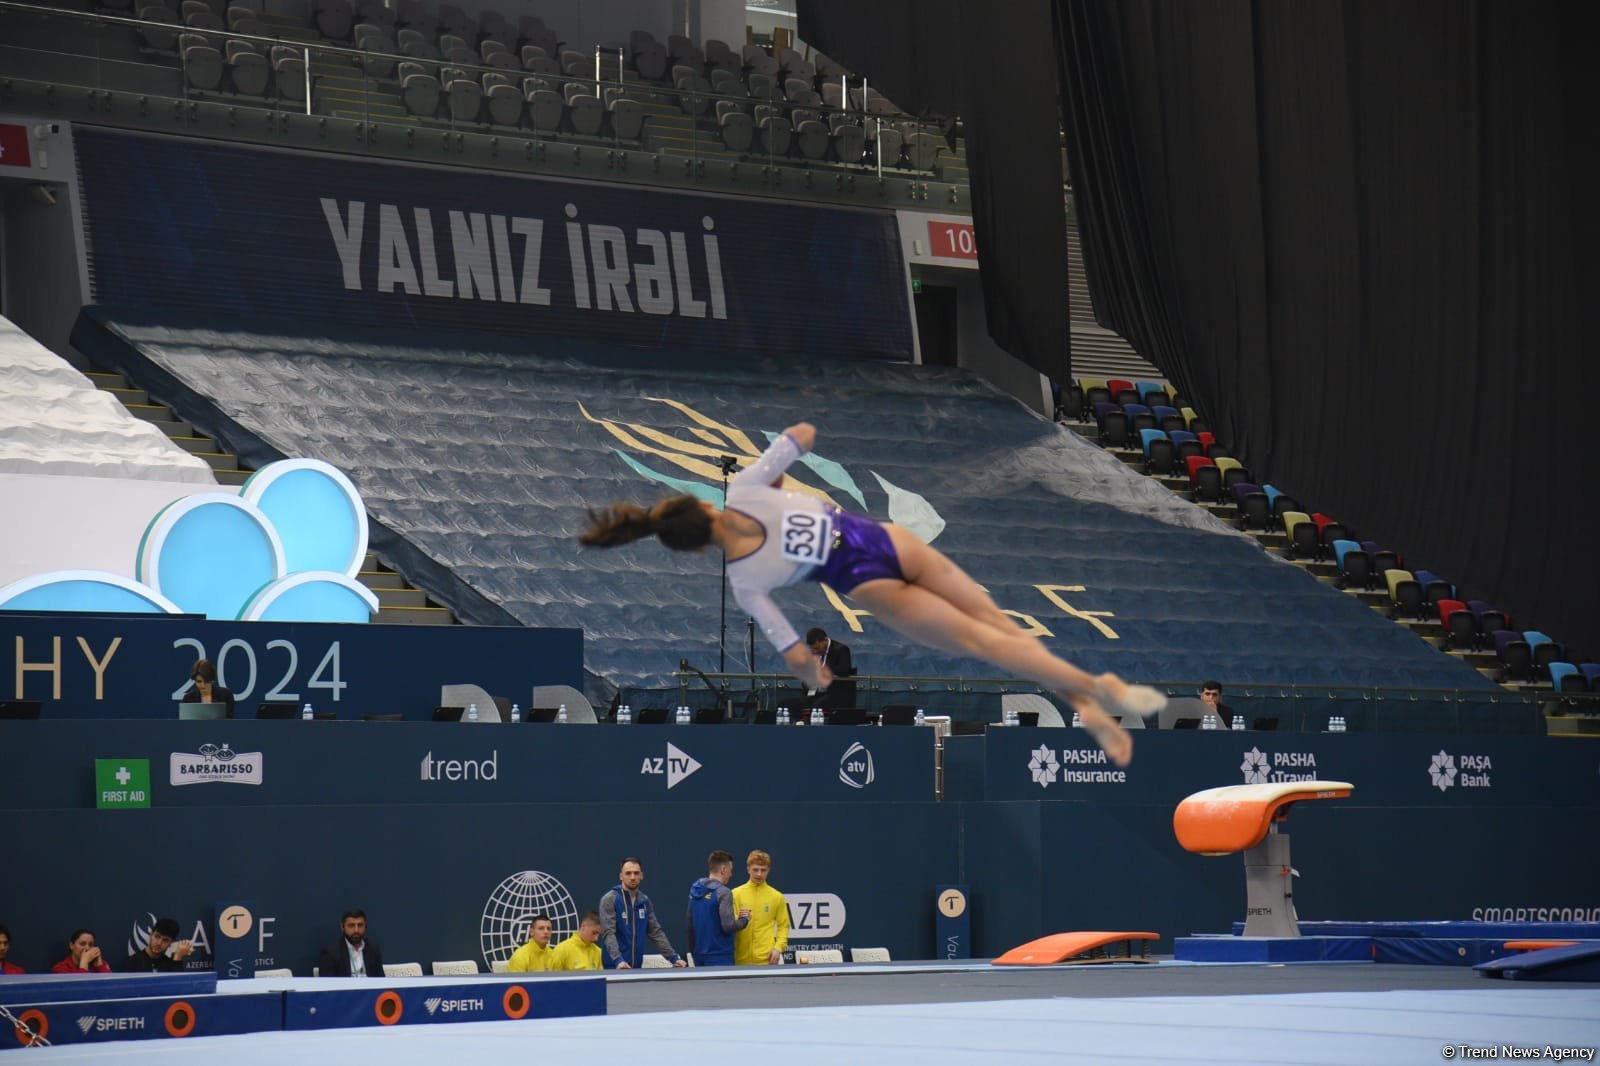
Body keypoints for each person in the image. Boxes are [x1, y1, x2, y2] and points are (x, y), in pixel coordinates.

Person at [579, 422, 1162, 766]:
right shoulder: (748, 489)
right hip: (893, 542)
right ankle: (1089, 696)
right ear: (706, 506)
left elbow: (800, 663)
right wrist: (778, 468)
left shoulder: (746, 581)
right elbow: (804, 433)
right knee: (998, 624)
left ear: (698, 549)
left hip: (873, 586)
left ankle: (1092, 695)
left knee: (985, 641)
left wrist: (815, 679)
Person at [599, 858, 685, 969]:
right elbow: (608, 933)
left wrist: (673, 958)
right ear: (621, 876)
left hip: (636, 968)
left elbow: (655, 933)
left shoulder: (644, 901)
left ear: (642, 876)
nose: (632, 877)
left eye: (636, 873)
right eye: (628, 873)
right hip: (614, 967)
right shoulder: (610, 899)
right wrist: (618, 960)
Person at [686, 849, 749, 967]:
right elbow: (728, 926)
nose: (731, 874)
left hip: (699, 957)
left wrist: (695, 953)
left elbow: (690, 926)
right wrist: (744, 920)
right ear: (723, 870)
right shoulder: (724, 892)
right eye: (730, 870)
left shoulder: (694, 890)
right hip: (721, 957)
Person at [731, 849, 788, 966]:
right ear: (748, 869)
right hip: (740, 959)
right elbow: (728, 923)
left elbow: (784, 926)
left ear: (768, 871)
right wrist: (738, 918)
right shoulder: (735, 894)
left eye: (763, 870)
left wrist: (778, 948)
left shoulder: (777, 896)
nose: (759, 874)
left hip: (766, 959)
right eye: (755, 870)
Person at [316, 909, 383, 978]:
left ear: (365, 927)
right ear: (342, 927)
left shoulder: (373, 950)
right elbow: (327, 984)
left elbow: (382, 981)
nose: (356, 930)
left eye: (360, 925)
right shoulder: (331, 953)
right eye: (351, 925)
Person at [803, 627, 856, 711]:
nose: (815, 651)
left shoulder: (841, 650)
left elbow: (843, 669)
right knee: (787, 704)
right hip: (815, 692)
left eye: (817, 648)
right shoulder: (814, 653)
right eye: (812, 648)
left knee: (817, 706)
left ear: (825, 640)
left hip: (835, 693)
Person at [117, 917, 193, 972]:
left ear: (170, 943)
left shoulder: (170, 965)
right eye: (157, 936)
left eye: (165, 940)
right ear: (150, 935)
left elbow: (178, 988)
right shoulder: (131, 963)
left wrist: (178, 957)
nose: (159, 943)